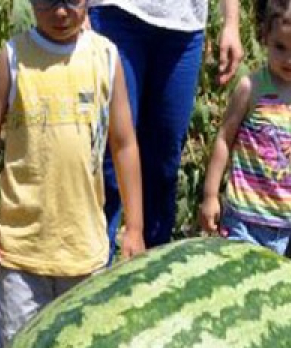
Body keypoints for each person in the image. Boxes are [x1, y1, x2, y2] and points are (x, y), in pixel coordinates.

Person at [0, 0, 145, 348]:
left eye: (72, 0)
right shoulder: (14, 58)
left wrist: (135, 226)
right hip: (21, 254)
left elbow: (124, 143)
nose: (61, 12)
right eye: (49, 0)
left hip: (85, 253)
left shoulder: (105, 59)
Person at [88, 0, 244, 254]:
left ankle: (151, 275)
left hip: (183, 28)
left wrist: (231, 22)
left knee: (164, 161)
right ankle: (95, 273)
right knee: (109, 158)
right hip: (117, 14)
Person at [199, 0, 291, 269]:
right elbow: (224, 139)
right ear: (264, 37)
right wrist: (211, 195)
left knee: (282, 301)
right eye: (280, 47)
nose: (290, 59)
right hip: (245, 221)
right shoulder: (251, 88)